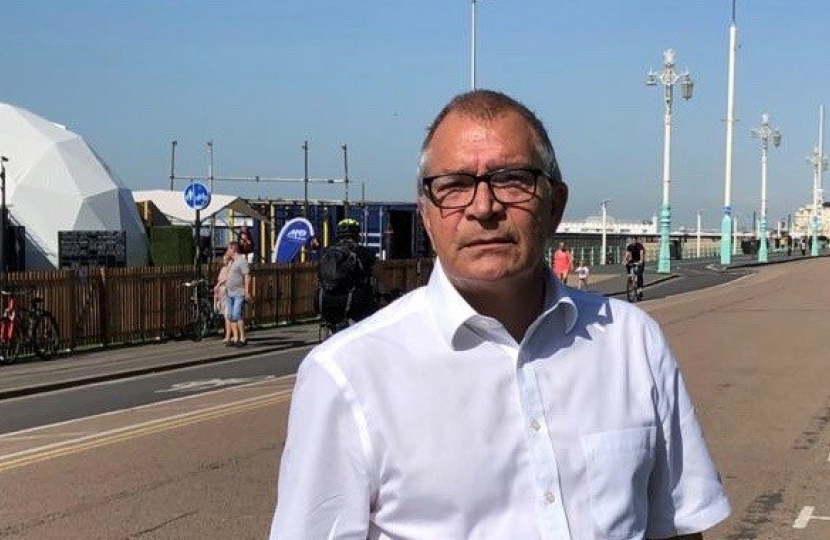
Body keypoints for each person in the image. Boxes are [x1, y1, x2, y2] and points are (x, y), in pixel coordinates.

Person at [270, 90, 730, 539]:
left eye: (512, 180)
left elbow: (674, 526)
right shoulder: (348, 373)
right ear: (427, 216)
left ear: (555, 205)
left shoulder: (633, 342)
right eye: (454, 186)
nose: (484, 207)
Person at [316, 218, 378, 331]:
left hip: (326, 305)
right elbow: (375, 276)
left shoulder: (328, 252)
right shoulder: (364, 253)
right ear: (357, 235)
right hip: (352, 305)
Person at [224, 241, 253, 346]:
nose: (227, 251)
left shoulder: (242, 261)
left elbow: (247, 276)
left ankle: (242, 337)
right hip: (229, 292)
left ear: (233, 249)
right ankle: (235, 338)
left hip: (238, 292)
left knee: (237, 314)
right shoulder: (231, 262)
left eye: (228, 249)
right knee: (230, 315)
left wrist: (246, 291)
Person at [213, 251, 233, 343]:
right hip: (221, 293)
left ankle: (229, 335)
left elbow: (226, 279)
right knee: (225, 315)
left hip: (226, 292)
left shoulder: (230, 269)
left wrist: (219, 284)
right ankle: (228, 333)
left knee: (227, 315)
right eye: (224, 259)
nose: (224, 260)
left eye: (226, 259)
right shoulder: (223, 269)